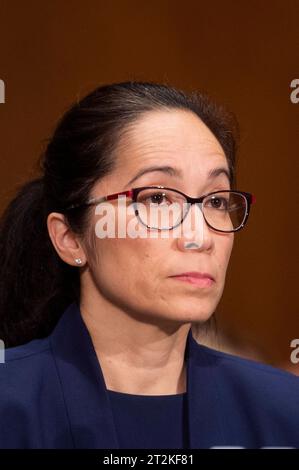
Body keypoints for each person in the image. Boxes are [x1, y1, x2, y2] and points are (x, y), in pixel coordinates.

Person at [0, 81, 298, 449]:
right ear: (70, 238)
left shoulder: (285, 412)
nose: (199, 237)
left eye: (217, 202)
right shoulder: (10, 406)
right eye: (157, 198)